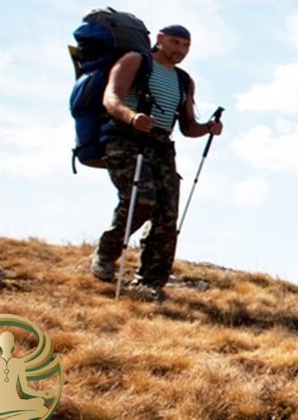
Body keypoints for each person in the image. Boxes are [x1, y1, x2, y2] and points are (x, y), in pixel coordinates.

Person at [89, 24, 223, 301]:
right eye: (175, 42)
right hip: (126, 139)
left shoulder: (184, 80)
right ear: (160, 40)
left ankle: (150, 282)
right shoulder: (136, 61)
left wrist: (208, 128)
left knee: (166, 214)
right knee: (142, 198)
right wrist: (131, 116)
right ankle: (106, 253)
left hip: (161, 146)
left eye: (186, 46)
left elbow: (187, 127)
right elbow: (111, 98)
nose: (180, 50)